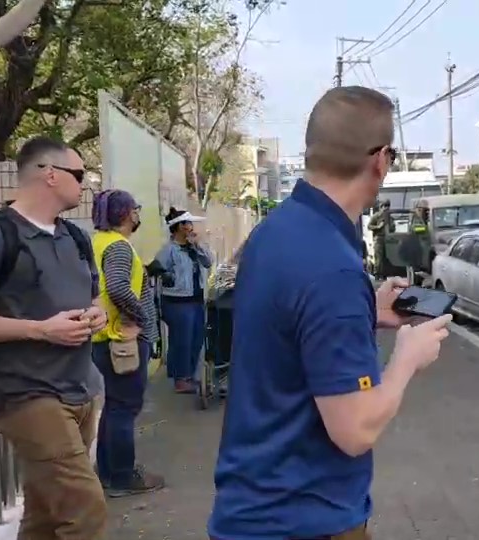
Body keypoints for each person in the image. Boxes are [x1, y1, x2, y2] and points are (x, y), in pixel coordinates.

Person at [209, 86, 453, 540]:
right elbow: (355, 430)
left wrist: (365, 312)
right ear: (381, 160)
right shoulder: (332, 267)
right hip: (304, 519)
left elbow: (289, 329)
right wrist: (405, 360)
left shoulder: (276, 230)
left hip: (252, 507)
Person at [0, 137, 109, 539]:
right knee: (85, 513)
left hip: (80, 388)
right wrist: (40, 329)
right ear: (50, 174)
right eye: (79, 175)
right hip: (28, 395)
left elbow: (93, 294)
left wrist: (96, 312)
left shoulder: (76, 237)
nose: (85, 185)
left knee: (46, 515)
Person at [89, 189, 165, 497]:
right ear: (126, 214)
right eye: (136, 209)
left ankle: (107, 473)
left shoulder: (96, 242)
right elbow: (120, 287)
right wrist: (140, 319)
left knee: (113, 408)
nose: (138, 214)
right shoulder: (119, 247)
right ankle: (122, 476)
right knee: (124, 409)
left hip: (101, 340)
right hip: (121, 342)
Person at [154, 207, 212, 394]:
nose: (190, 227)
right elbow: (156, 269)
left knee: (196, 338)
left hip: (195, 298)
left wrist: (197, 246)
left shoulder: (192, 248)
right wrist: (168, 276)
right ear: (178, 227)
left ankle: (188, 376)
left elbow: (208, 262)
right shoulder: (169, 250)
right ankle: (181, 378)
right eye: (187, 224)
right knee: (182, 340)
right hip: (177, 301)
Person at [367, 199, 392, 278]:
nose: (386, 208)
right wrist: (378, 227)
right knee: (379, 257)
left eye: (388, 206)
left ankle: (384, 274)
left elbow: (393, 227)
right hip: (379, 238)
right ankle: (377, 274)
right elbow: (369, 226)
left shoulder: (389, 217)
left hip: (388, 239)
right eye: (385, 206)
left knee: (386, 257)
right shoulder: (376, 216)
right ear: (381, 207)